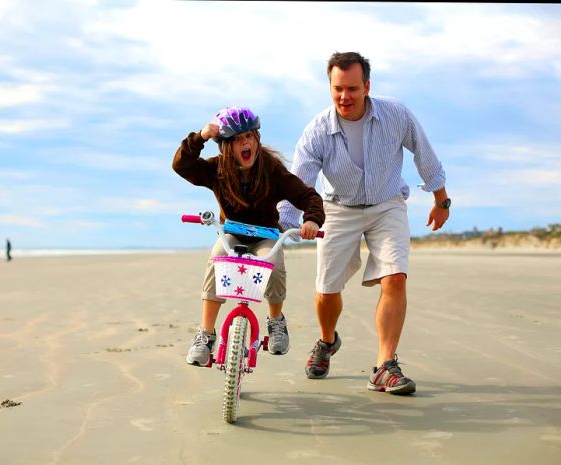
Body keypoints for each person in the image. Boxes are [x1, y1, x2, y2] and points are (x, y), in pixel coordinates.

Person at [278, 52, 451, 394]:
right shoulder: (317, 131)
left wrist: (441, 199)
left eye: (353, 89)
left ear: (367, 86)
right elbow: (298, 182)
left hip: (387, 205)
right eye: (338, 89)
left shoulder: (396, 114)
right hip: (337, 208)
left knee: (396, 277)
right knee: (327, 290)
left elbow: (424, 153)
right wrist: (285, 222)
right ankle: (327, 342)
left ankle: (384, 366)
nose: (345, 97)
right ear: (330, 87)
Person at [173, 107, 325, 366]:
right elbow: (181, 165)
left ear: (256, 139)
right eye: (236, 140)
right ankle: (206, 334)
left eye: (249, 137)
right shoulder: (216, 169)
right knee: (218, 256)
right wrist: (201, 136)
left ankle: (276, 321)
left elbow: (308, 196)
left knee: (273, 262)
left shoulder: (271, 169)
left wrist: (311, 219)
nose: (245, 143)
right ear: (225, 147)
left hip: (266, 235)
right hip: (232, 233)